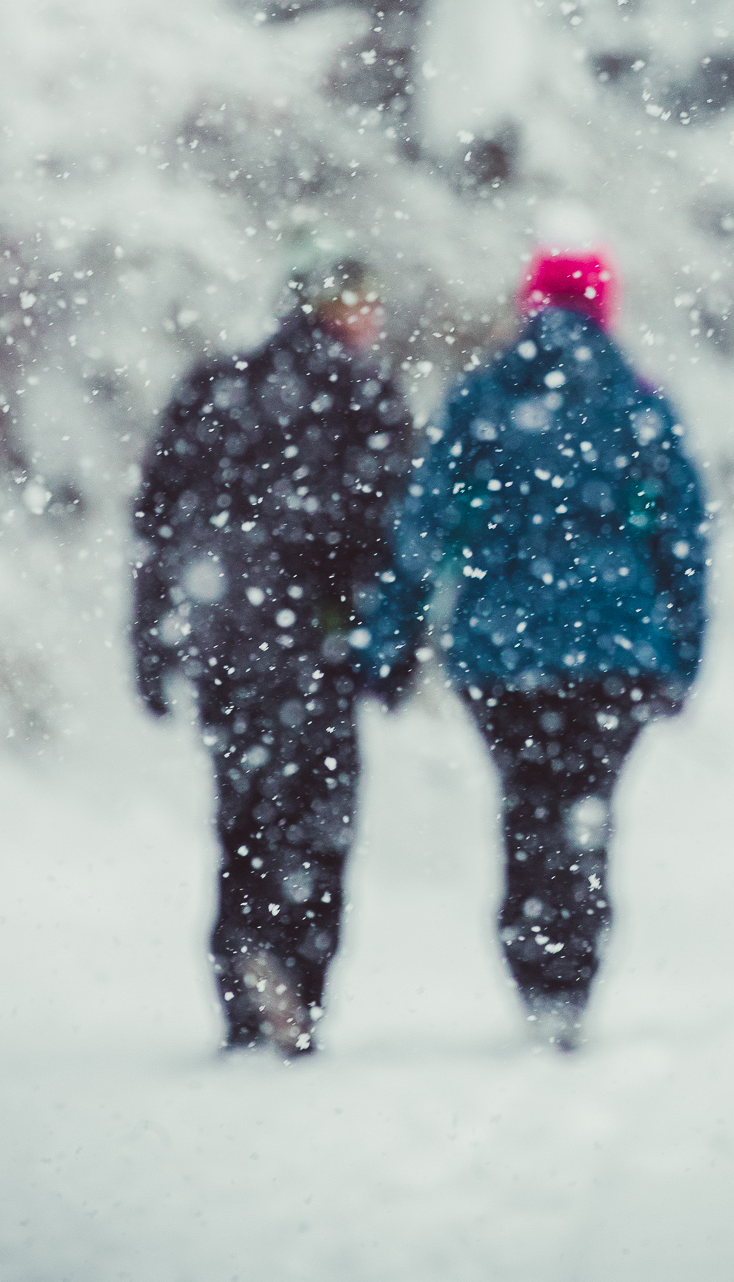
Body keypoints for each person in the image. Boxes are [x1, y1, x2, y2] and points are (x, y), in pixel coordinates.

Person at [371, 247, 708, 1049]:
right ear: (604, 307)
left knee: (527, 806)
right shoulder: (639, 404)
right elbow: (682, 541)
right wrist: (682, 652)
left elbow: (423, 528)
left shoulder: (481, 400)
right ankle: (572, 975)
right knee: (584, 807)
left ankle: (536, 974)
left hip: (501, 652)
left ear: (528, 306)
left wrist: (394, 635)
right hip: (616, 651)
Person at [131, 238, 415, 1057]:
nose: (372, 317)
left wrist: (152, 647)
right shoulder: (367, 397)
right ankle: (299, 979)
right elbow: (397, 544)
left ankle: (245, 973)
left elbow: (157, 527)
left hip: (229, 643)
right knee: (316, 827)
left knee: (243, 817)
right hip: (320, 648)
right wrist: (390, 652)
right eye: (362, 300)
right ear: (334, 307)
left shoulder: (219, 388)